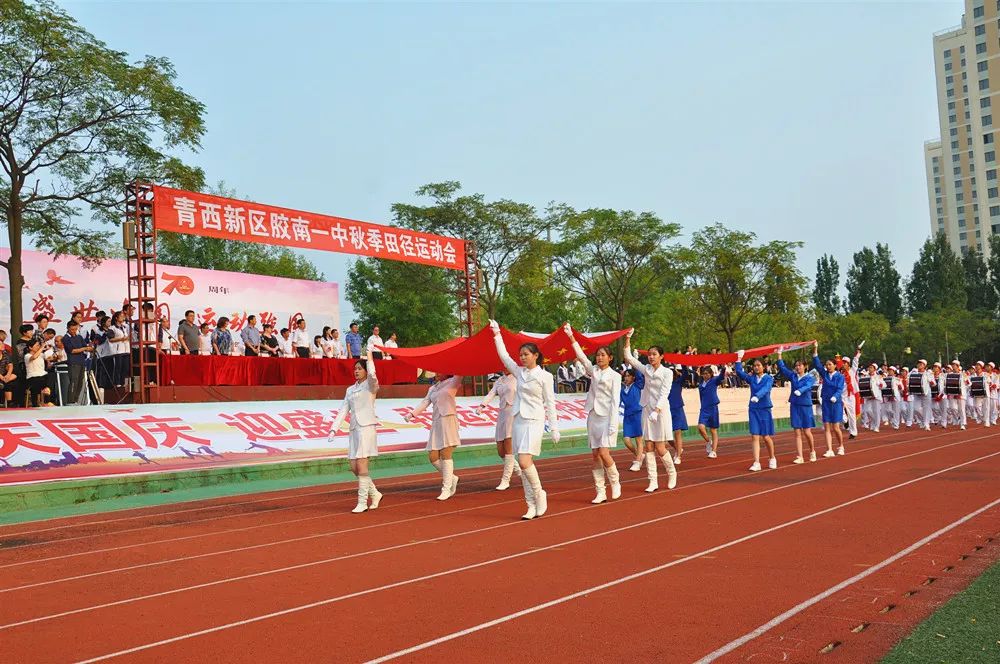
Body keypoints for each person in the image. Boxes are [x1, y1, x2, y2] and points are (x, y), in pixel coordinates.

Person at [489, 319, 559, 520]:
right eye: (520, 355)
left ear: (535, 356)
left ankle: (540, 494)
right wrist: (497, 334)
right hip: (518, 419)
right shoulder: (518, 372)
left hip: (535, 420)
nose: (522, 358)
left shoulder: (545, 377)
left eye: (526, 354)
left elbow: (550, 403)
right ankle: (530, 505)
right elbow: (504, 356)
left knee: (524, 461)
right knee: (523, 463)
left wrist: (554, 428)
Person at [565, 323, 622, 504]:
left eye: (603, 355)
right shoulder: (593, 371)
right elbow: (581, 358)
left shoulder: (615, 376)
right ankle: (600, 491)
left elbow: (615, 401)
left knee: (604, 453)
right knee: (595, 454)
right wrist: (571, 338)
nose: (599, 358)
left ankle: (615, 481)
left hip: (607, 417)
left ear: (610, 358)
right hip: (593, 416)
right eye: (597, 355)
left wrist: (613, 424)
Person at [327, 348, 383, 513]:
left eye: (360, 368)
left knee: (362, 463)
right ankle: (375, 493)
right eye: (355, 369)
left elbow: (373, 376)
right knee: (354, 467)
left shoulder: (370, 386)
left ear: (366, 370)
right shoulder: (349, 390)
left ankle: (362, 502)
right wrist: (333, 429)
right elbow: (343, 410)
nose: (356, 371)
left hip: (367, 427)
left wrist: (371, 358)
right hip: (354, 429)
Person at [622, 329, 677, 492]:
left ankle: (672, 473)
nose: (651, 356)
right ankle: (653, 481)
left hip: (660, 411)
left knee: (660, 447)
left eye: (654, 354)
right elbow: (629, 358)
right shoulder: (646, 369)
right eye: (650, 354)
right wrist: (627, 339)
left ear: (661, 356)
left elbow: (665, 392)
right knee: (648, 447)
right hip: (647, 408)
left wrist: (657, 410)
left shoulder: (667, 372)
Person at [405, 373, 464, 500]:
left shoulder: (453, 382)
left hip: (448, 419)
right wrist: (412, 414)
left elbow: (460, 372)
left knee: (446, 454)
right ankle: (452, 478)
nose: (436, 374)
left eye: (439, 371)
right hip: (436, 422)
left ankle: (446, 488)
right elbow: (425, 402)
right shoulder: (432, 388)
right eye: (435, 372)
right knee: (433, 456)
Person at [733, 351, 777, 472]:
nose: (756, 367)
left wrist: (757, 396)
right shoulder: (752, 378)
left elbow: (766, 388)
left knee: (766, 436)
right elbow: (740, 373)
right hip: (753, 409)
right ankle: (756, 462)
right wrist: (738, 359)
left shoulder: (768, 378)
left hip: (764, 409)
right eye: (755, 365)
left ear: (764, 366)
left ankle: (772, 457)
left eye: (759, 365)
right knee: (754, 436)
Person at [476, 371, 521, 490]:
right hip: (502, 414)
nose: (505, 367)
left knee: (508, 446)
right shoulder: (500, 380)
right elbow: (491, 393)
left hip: (514, 413)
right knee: (501, 450)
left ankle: (506, 480)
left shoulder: (518, 377)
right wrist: (482, 405)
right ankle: (520, 471)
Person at [776, 347, 817, 464]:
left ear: (805, 366)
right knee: (797, 432)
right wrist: (779, 355)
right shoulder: (793, 376)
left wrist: (801, 391)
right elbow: (783, 369)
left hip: (805, 406)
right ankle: (800, 456)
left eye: (800, 365)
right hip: (795, 405)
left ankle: (812, 451)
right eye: (796, 366)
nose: (798, 367)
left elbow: (808, 386)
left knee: (807, 432)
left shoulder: (810, 377)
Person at [812, 343, 847, 457]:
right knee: (826, 426)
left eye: (830, 364)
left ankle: (841, 446)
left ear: (835, 365)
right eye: (826, 365)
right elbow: (817, 364)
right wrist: (816, 348)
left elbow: (840, 388)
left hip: (836, 403)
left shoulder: (840, 376)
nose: (827, 366)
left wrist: (835, 397)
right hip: (826, 402)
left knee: (836, 427)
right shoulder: (825, 374)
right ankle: (829, 449)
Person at [696, 363, 727, 461]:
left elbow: (721, 377)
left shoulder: (714, 381)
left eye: (707, 373)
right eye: (704, 373)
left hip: (713, 408)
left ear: (711, 374)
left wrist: (723, 369)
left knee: (713, 430)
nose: (705, 375)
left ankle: (714, 451)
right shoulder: (701, 385)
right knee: (700, 427)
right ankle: (708, 441)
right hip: (704, 409)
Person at [62, 320, 92, 405]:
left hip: (81, 361)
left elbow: (85, 346)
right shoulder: (66, 338)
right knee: (74, 381)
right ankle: (70, 401)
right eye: (72, 329)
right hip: (73, 362)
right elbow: (72, 350)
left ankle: (75, 400)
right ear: (68, 328)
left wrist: (89, 348)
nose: (74, 331)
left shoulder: (79, 337)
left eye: (75, 329)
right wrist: (85, 349)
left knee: (80, 382)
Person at [621, 368, 646, 472]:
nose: (626, 378)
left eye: (628, 376)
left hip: (637, 414)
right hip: (627, 416)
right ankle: (639, 456)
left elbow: (640, 376)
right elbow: (618, 402)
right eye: (625, 376)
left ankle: (637, 461)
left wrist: (634, 363)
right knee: (626, 440)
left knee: (639, 440)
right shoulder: (622, 390)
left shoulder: (637, 386)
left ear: (633, 377)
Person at [667, 364, 690, 463]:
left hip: (677, 409)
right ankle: (678, 449)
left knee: (677, 432)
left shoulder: (678, 382)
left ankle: (678, 456)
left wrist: (683, 363)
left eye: (672, 374)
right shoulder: (663, 385)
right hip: (666, 410)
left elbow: (685, 374)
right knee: (667, 435)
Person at [908, 359, 934, 431]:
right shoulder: (913, 373)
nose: (919, 365)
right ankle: (924, 420)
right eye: (918, 363)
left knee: (926, 408)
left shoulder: (928, 373)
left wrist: (932, 382)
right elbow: (909, 380)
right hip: (916, 393)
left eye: (921, 364)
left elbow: (934, 383)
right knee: (916, 409)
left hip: (926, 392)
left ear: (925, 366)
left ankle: (926, 424)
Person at [860, 363, 885, 433]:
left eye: (871, 367)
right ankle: (874, 422)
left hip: (876, 396)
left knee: (876, 412)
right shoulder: (865, 376)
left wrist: (880, 384)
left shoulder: (878, 377)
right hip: (868, 396)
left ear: (875, 369)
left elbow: (884, 385)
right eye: (869, 367)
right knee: (868, 410)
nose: (869, 369)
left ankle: (876, 426)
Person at [946, 360, 970, 430]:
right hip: (952, 394)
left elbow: (969, 384)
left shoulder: (963, 374)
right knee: (952, 408)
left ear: (958, 366)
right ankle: (958, 417)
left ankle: (963, 424)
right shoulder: (949, 375)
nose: (953, 366)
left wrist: (962, 390)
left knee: (961, 409)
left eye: (955, 365)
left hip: (961, 394)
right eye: (952, 365)